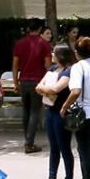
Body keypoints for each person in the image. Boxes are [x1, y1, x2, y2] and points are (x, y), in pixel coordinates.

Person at [59, 35, 90, 179]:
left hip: (83, 114)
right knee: (85, 149)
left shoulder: (78, 67)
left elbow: (76, 90)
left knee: (84, 151)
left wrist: (64, 107)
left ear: (77, 52)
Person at [37, 44, 76, 179]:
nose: (51, 54)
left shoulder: (68, 71)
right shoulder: (52, 69)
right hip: (50, 110)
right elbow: (39, 86)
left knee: (64, 146)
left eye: (54, 52)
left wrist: (46, 90)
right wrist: (47, 91)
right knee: (53, 147)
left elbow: (55, 89)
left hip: (62, 113)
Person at [12, 18, 53, 155]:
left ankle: (27, 139)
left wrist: (15, 82)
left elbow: (15, 64)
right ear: (40, 29)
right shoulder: (44, 44)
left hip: (23, 80)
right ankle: (29, 143)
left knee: (26, 110)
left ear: (28, 29)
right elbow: (47, 65)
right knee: (35, 111)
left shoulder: (20, 43)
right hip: (38, 81)